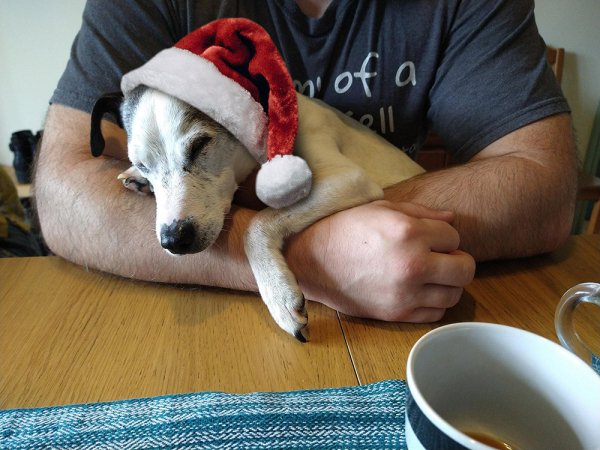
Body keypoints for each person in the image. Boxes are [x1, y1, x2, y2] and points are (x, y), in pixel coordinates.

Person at [34, 0, 577, 323]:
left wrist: (280, 236)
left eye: (199, 146)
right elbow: (64, 190)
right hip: (311, 290)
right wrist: (314, 254)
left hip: (421, 290)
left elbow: (543, 182)